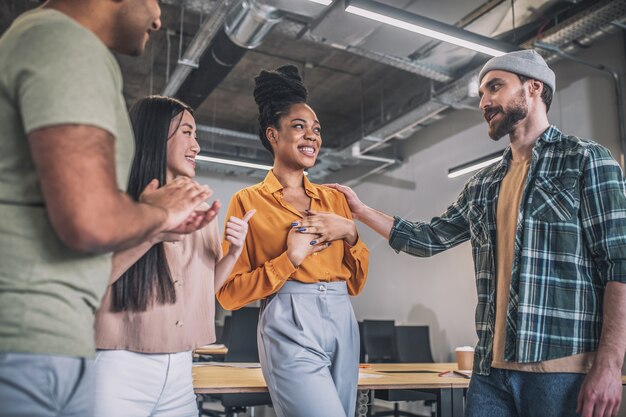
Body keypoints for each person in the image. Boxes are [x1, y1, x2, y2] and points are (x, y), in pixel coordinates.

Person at [328, 50, 626, 417]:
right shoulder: (485, 184)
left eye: (494, 87)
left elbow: (619, 264)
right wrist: (361, 211)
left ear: (534, 88)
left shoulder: (586, 160)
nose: (484, 101)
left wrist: (610, 364)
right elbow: (428, 237)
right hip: (489, 373)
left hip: (561, 370)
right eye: (481, 94)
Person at [0, 2, 215, 416]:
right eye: (154, 1)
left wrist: (155, 224)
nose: (157, 18)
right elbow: (88, 219)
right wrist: (158, 216)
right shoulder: (67, 43)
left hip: (55, 342)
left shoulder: (53, 42)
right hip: (29, 342)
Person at [216, 65, 369, 417]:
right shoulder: (248, 201)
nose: (312, 137)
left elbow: (357, 282)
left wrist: (350, 232)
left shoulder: (335, 200)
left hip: (342, 317)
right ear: (273, 135)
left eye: (316, 130)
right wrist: (288, 260)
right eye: (299, 127)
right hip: (288, 317)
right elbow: (228, 292)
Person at [92, 95, 254, 417]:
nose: (197, 145)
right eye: (187, 132)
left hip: (181, 372)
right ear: (154, 133)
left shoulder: (201, 211)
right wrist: (152, 230)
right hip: (117, 369)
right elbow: (87, 282)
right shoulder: (111, 200)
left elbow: (202, 295)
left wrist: (234, 253)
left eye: (196, 135)